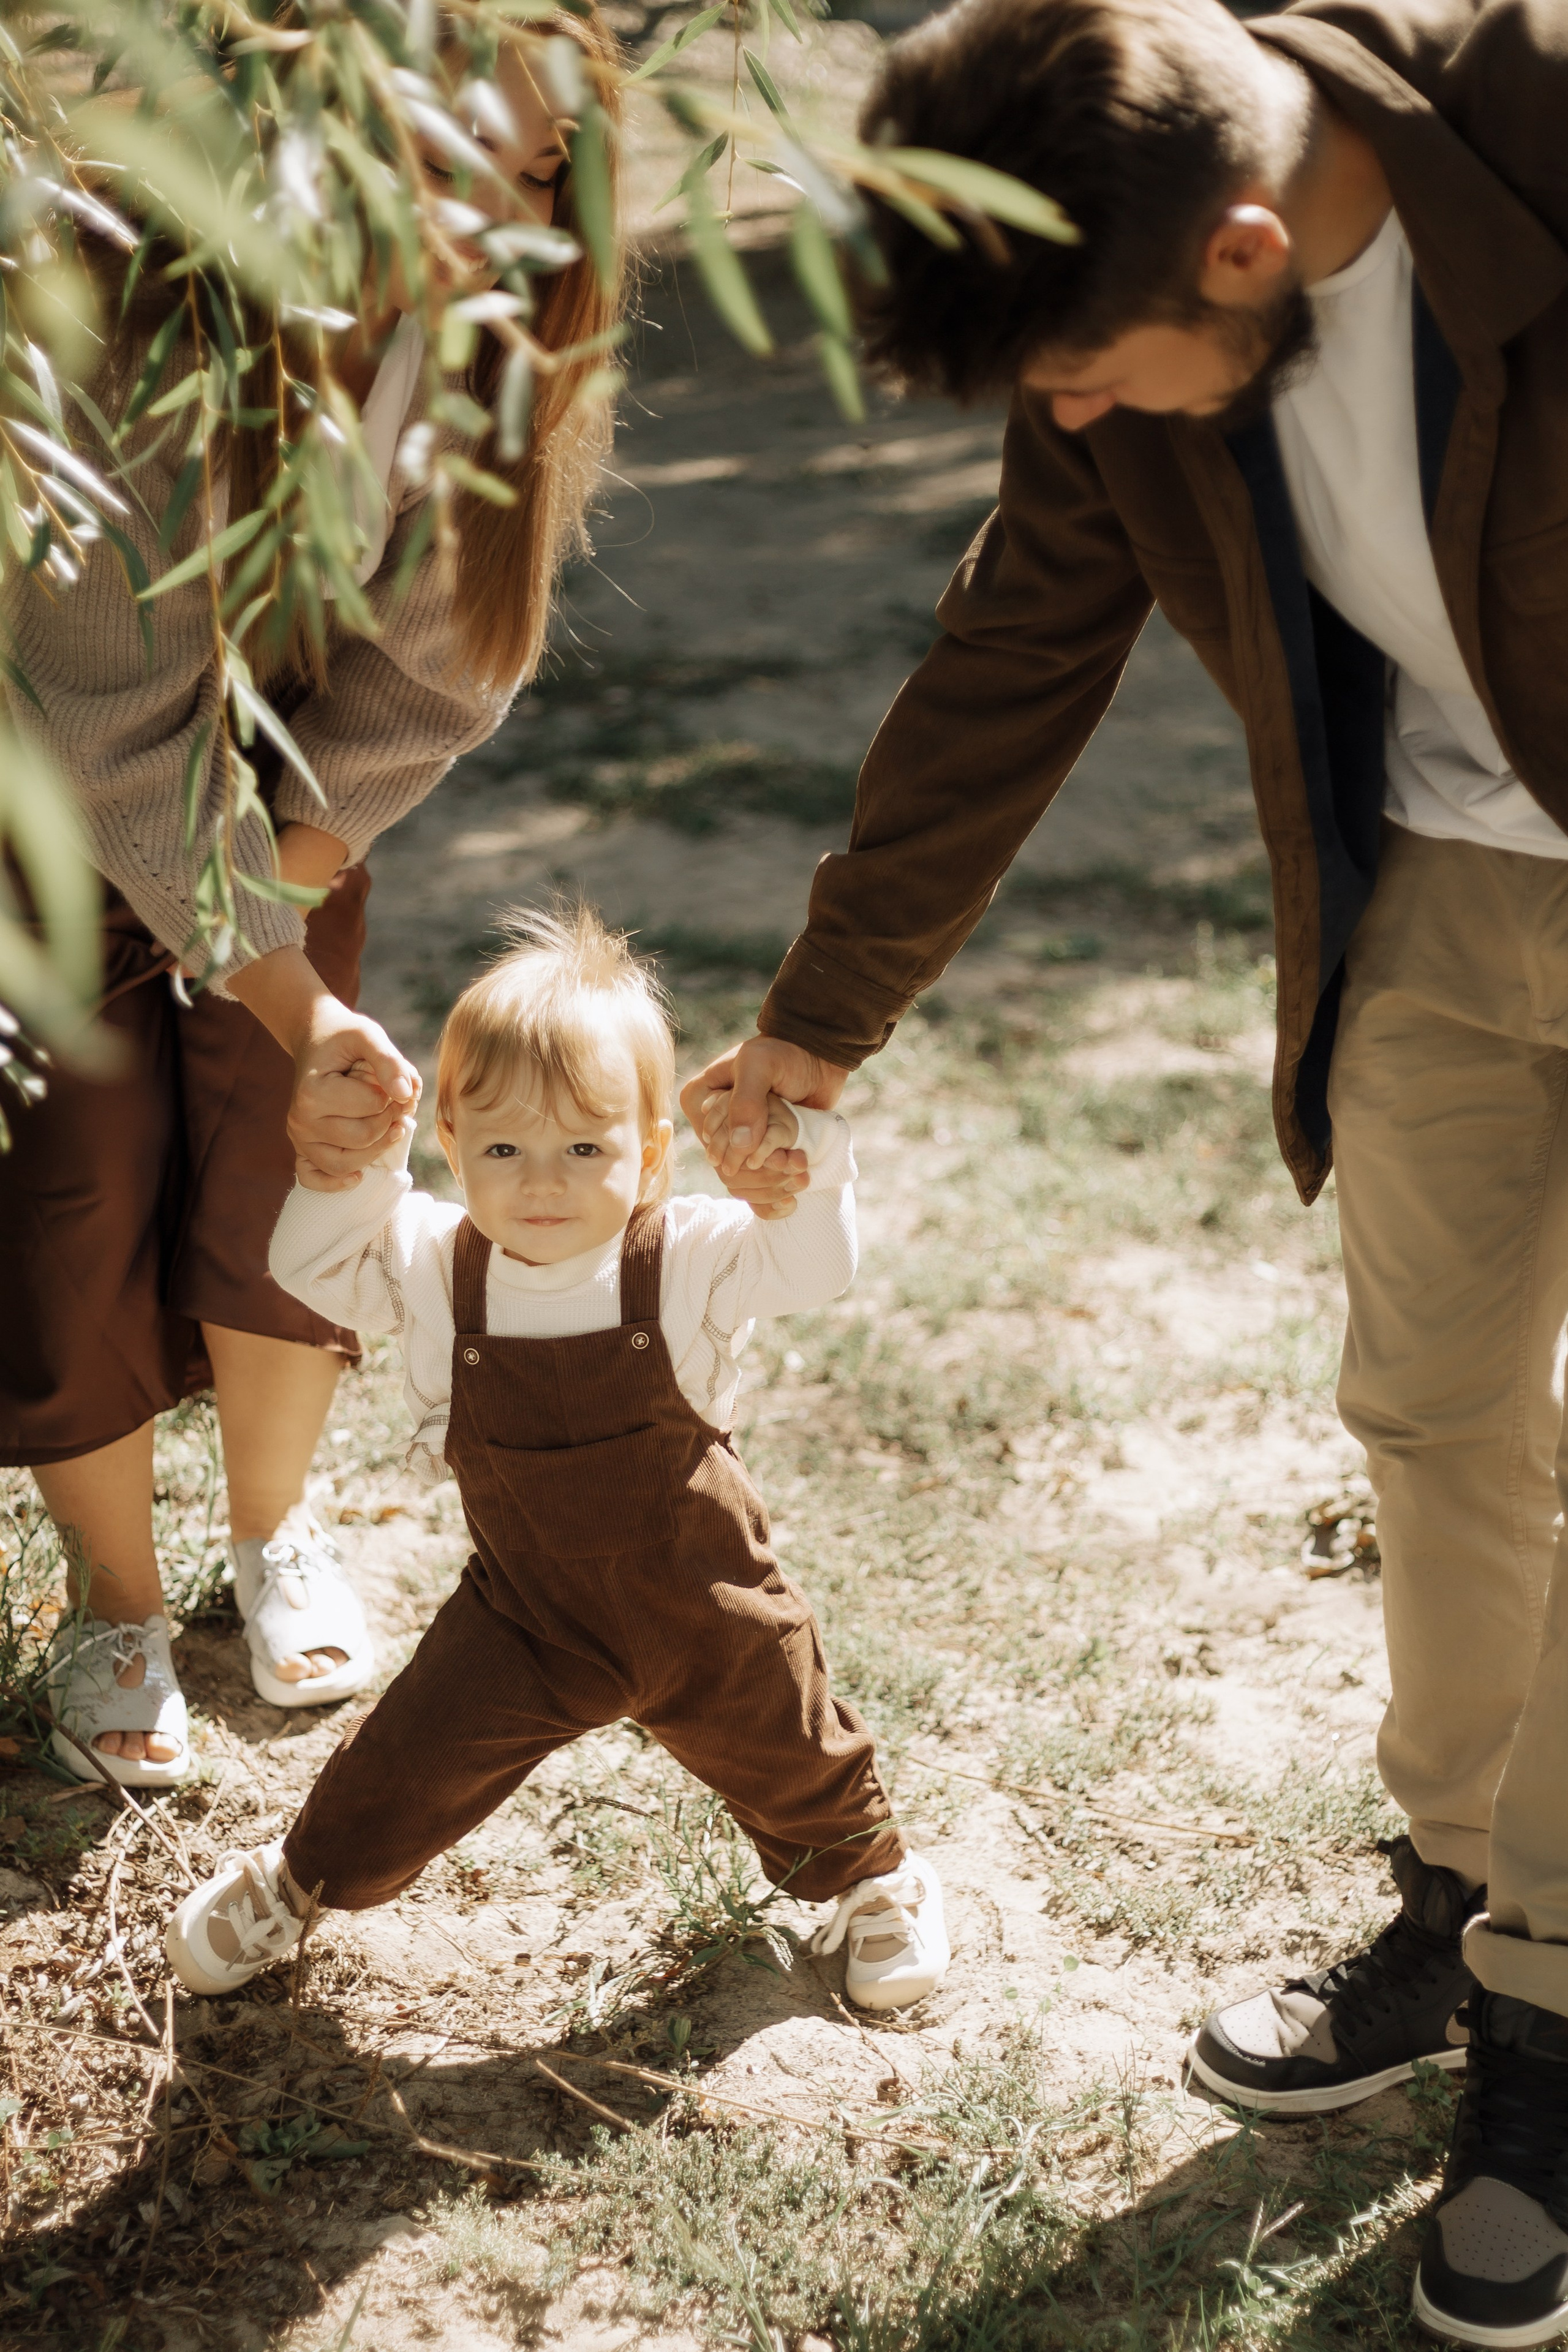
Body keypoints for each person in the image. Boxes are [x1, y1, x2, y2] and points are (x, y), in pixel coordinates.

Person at [682, 0, 1568, 2337]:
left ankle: (1555, 2037)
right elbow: (1012, 657)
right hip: (1434, 901)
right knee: (1437, 1420)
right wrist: (817, 1018)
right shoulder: (1129, 327)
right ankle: (1463, 1900)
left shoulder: (1549, 122)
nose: (1063, 418)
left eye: (1080, 369)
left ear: (1256, 241)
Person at [4, 16, 625, 1787]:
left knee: (300, 1150)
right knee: (76, 1181)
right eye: (449, 162)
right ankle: (111, 1599)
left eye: (534, 176)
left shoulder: (503, 340)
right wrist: (267, 973)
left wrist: (279, 905)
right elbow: (107, 707)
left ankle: (273, 1535)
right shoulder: (123, 288)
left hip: (283, 810)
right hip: (45, 801)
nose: (500, 214)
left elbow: (442, 661)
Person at [161, 906, 949, 2014]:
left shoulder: (688, 1255)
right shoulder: (435, 1261)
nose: (542, 1182)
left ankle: (875, 1881)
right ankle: (299, 1883)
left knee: (795, 1750)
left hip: (704, 1601)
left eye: (586, 1149)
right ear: (446, 1141)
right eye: (502, 1149)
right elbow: (308, 1264)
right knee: (408, 1760)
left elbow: (814, 1265)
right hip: (524, 1614)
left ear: (653, 1151)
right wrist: (347, 1172)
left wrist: (804, 1164)